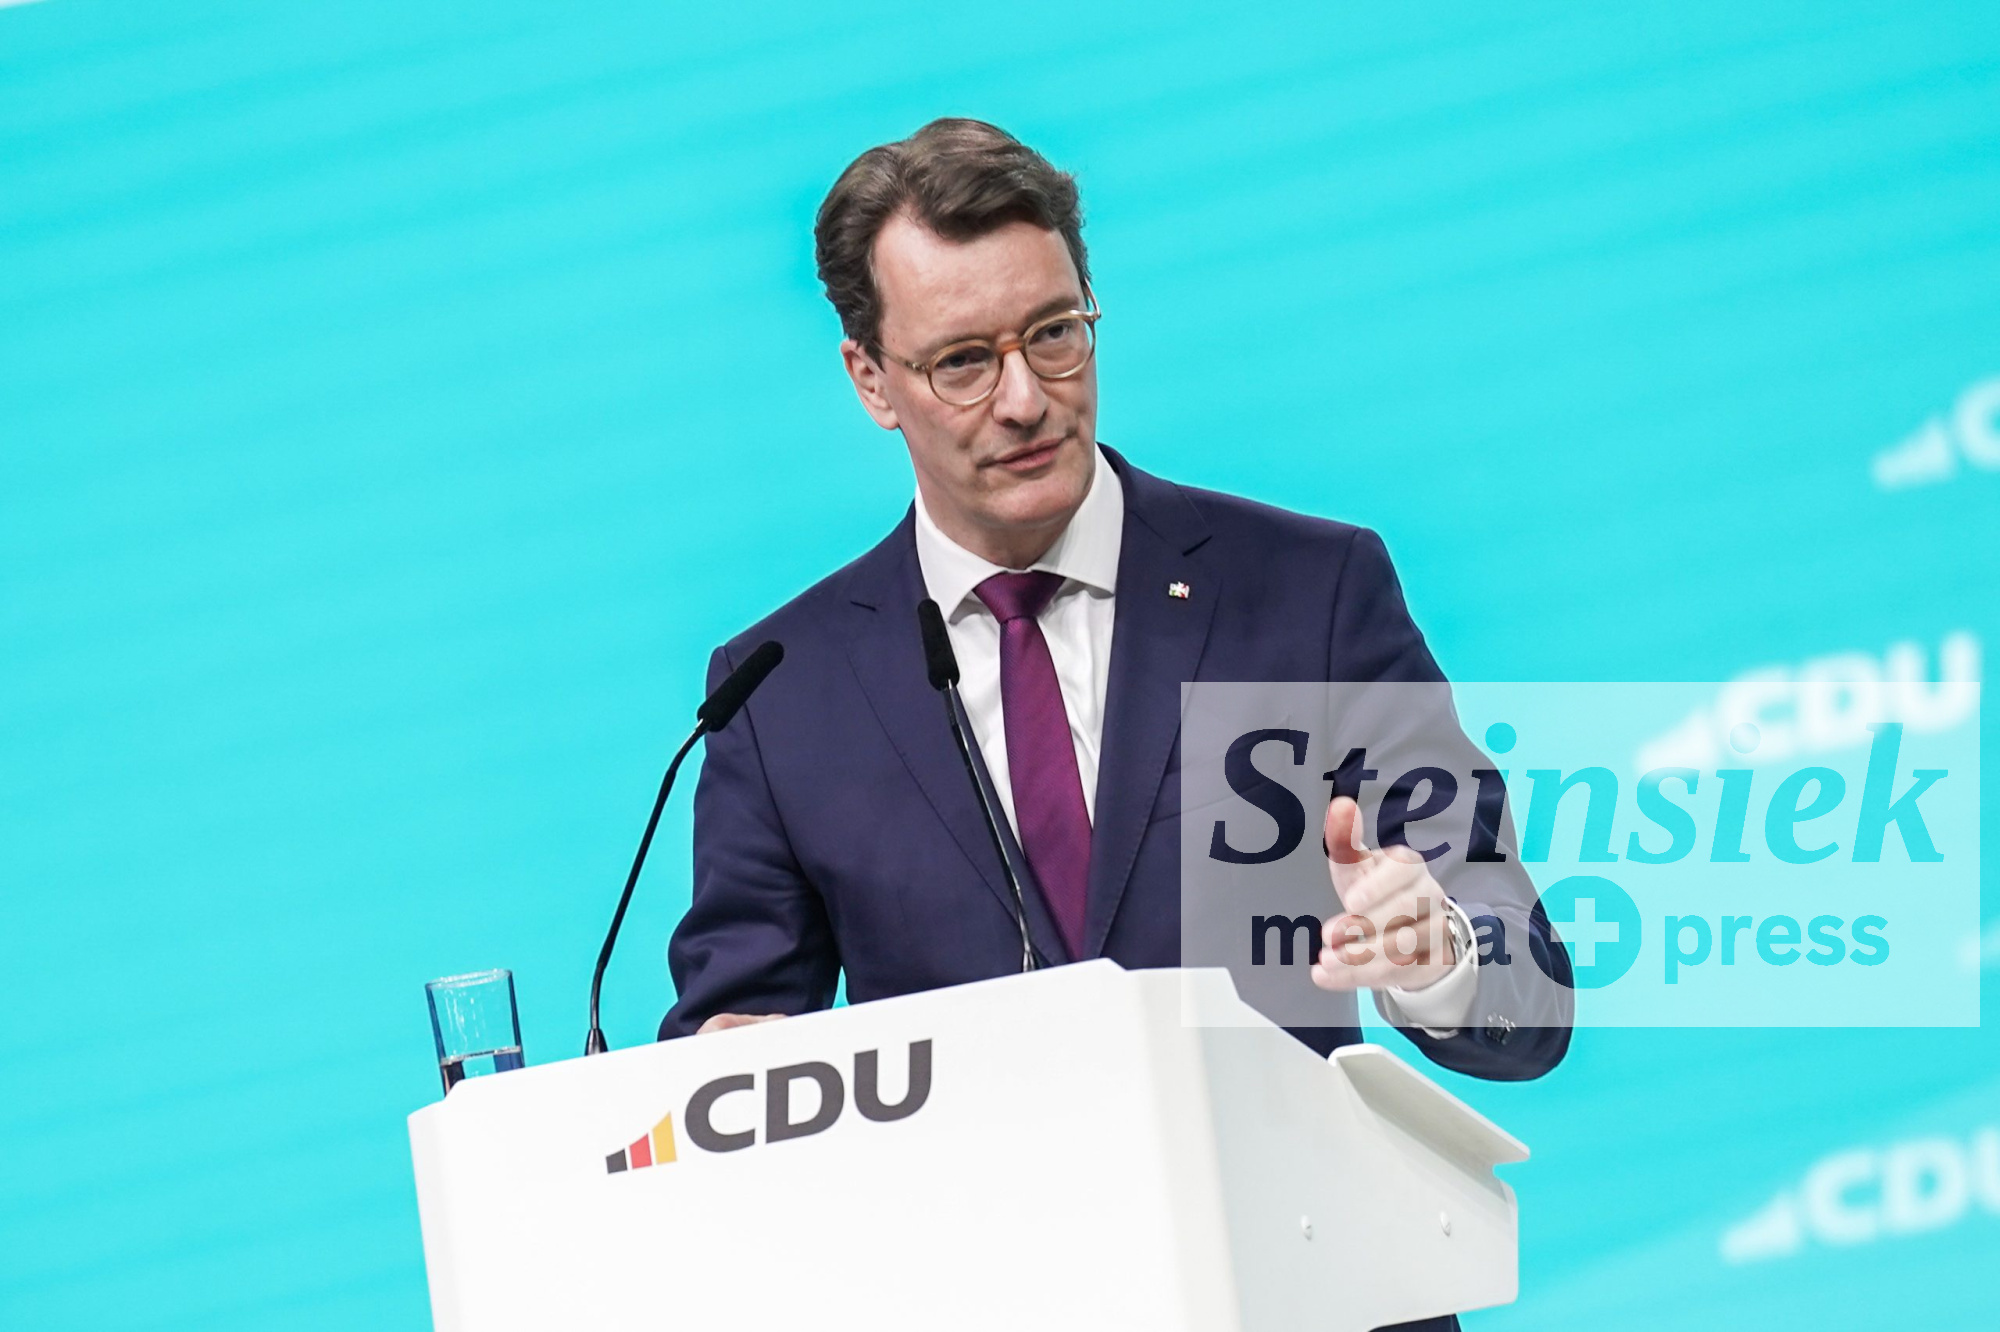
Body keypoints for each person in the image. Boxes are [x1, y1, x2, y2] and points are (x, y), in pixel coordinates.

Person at [658, 118, 1570, 1088]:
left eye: (1053, 333)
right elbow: (728, 1054)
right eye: (963, 361)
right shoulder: (779, 696)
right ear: (872, 381)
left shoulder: (1310, 593)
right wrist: (724, 1069)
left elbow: (1525, 988)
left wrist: (1437, 954)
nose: (1024, 400)